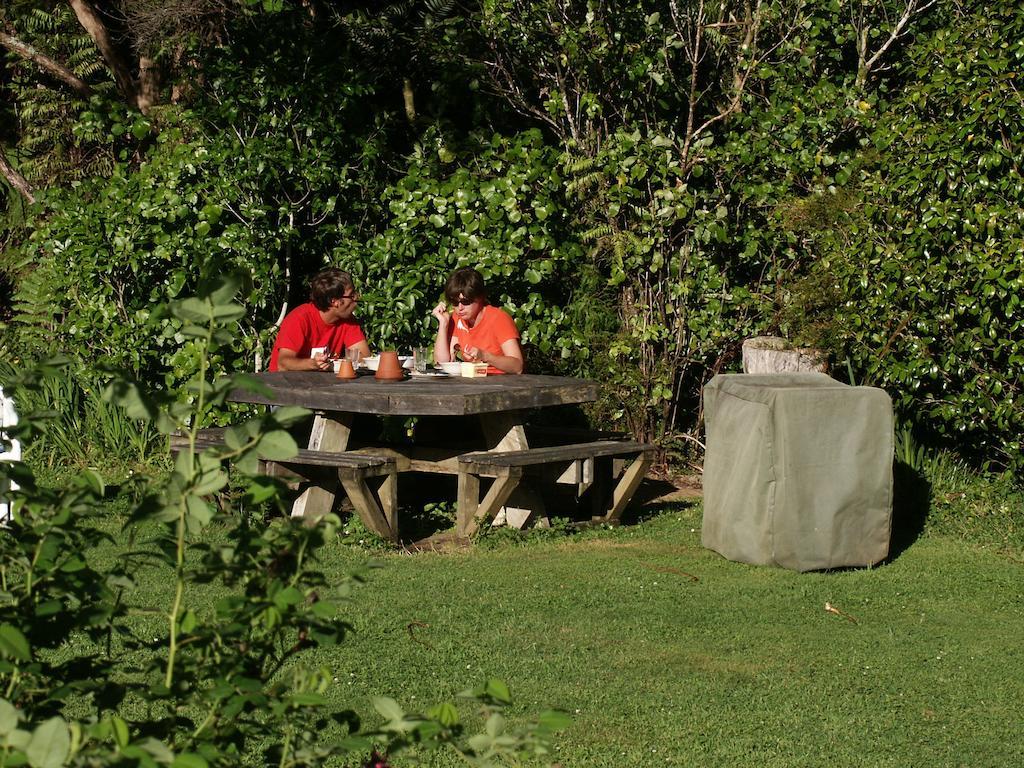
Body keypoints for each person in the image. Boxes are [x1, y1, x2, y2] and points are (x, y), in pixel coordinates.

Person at [268, 268, 371, 372]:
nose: (357, 298)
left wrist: (336, 365)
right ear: (335, 301)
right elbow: (283, 364)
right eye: (352, 295)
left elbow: (364, 356)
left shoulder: (347, 320)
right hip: (283, 383)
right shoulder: (299, 318)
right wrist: (313, 364)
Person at [431, 267, 523, 374]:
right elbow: (442, 362)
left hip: (502, 382)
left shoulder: (498, 319)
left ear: (480, 297)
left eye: (465, 302)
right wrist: (443, 324)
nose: (460, 308)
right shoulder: (457, 318)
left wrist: (485, 356)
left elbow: (517, 367)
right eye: (455, 302)